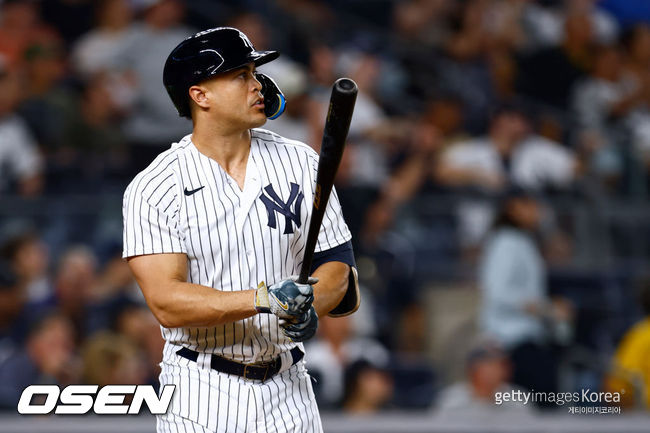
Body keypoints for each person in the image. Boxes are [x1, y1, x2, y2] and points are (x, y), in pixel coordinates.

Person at [122, 27, 359, 432]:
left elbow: (339, 270)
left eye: (254, 72)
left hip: (290, 387)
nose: (258, 85)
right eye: (239, 75)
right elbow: (167, 301)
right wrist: (264, 299)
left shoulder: (301, 162)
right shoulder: (155, 185)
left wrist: (311, 302)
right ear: (200, 96)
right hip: (200, 389)